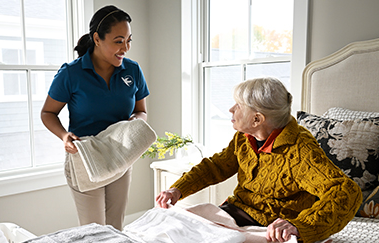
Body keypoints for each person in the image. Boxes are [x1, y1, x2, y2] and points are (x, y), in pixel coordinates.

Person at [156, 77, 362, 243]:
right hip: (236, 212)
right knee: (171, 227)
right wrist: (178, 189)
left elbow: (346, 191)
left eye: (238, 106)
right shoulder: (244, 137)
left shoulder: (300, 150)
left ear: (257, 119)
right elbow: (216, 166)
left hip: (269, 227)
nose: (231, 110)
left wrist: (301, 225)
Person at [41, 5, 149, 230]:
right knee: (93, 231)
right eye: (119, 41)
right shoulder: (71, 74)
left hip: (120, 154)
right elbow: (48, 113)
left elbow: (141, 111)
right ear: (97, 38)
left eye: (129, 40)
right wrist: (64, 136)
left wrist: (136, 122)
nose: (126, 48)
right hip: (85, 157)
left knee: (115, 227)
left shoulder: (133, 70)